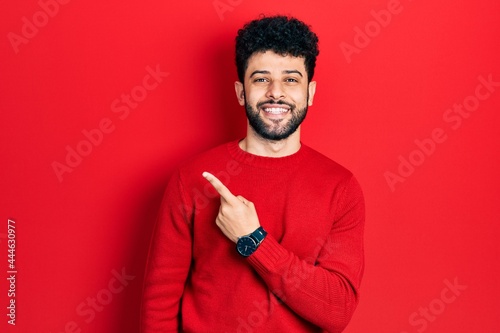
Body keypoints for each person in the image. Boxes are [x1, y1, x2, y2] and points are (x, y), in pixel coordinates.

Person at [141, 15, 365, 333]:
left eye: (291, 79)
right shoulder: (192, 177)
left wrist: (253, 240)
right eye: (261, 79)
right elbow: (158, 304)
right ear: (241, 92)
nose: (276, 92)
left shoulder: (341, 188)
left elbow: (336, 310)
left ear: (310, 92)